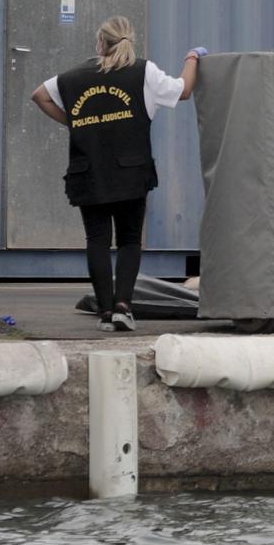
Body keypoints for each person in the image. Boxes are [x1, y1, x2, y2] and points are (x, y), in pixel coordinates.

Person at [30, 17, 202, 332]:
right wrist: (192, 57)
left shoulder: (72, 78)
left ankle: (106, 311)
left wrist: (75, 122)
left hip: (89, 171)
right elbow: (184, 90)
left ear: (100, 43)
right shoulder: (143, 72)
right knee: (129, 239)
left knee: (96, 240)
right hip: (130, 171)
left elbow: (38, 95)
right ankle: (124, 306)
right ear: (128, 41)